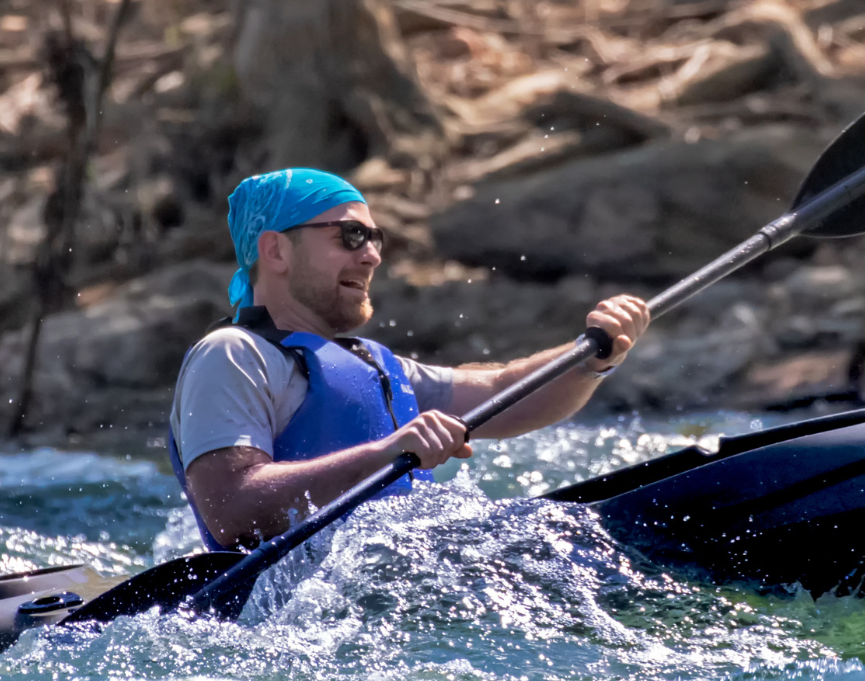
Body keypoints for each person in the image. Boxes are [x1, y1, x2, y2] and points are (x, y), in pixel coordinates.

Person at [169, 169, 650, 551]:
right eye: (351, 236)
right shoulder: (232, 354)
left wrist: (593, 355)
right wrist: (380, 455)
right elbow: (231, 509)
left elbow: (507, 391)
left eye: (377, 239)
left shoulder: (376, 364)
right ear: (275, 249)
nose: (373, 255)